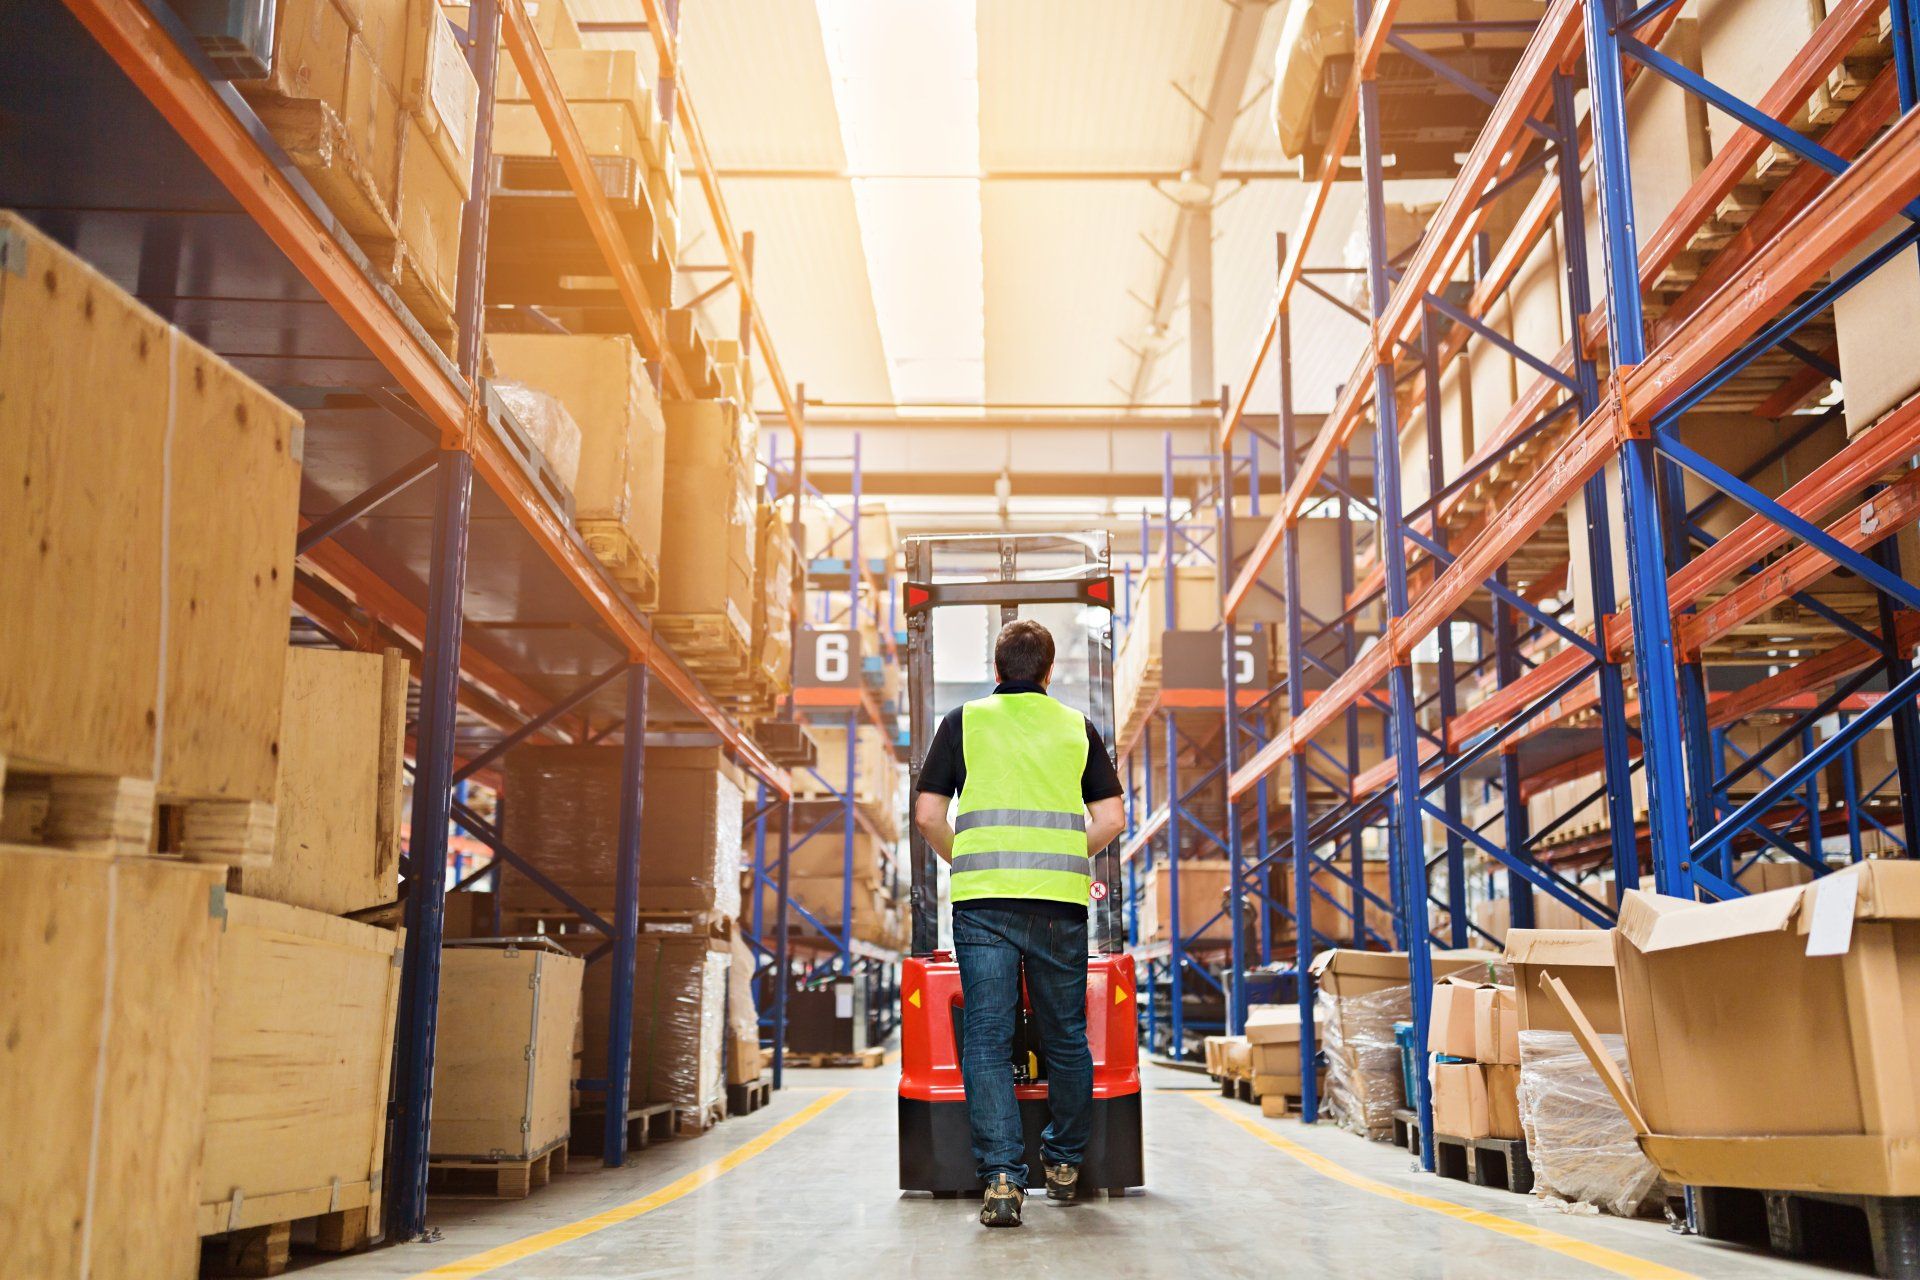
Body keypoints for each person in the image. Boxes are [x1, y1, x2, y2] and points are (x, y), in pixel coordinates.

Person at [912, 618, 1127, 1229]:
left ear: (998, 669)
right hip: (1059, 902)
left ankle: (1003, 1180)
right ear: (1048, 670)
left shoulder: (964, 721)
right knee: (1064, 1036)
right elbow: (1110, 816)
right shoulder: (1075, 727)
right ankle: (1061, 1164)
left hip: (984, 904)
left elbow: (928, 813)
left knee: (985, 1039)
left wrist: (971, 859)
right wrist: (1060, 855)